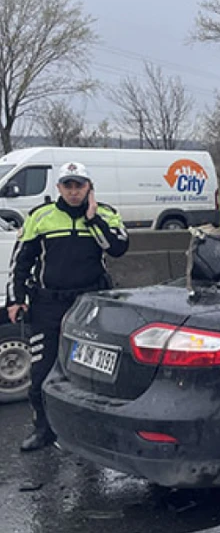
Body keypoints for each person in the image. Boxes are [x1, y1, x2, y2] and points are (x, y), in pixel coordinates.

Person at [5, 161, 129, 451]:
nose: (74, 192)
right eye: (68, 186)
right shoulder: (41, 216)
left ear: (89, 188)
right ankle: (43, 430)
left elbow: (118, 248)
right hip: (49, 304)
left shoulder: (106, 214)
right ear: (59, 188)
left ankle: (94, 432)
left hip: (91, 305)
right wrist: (15, 299)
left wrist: (92, 218)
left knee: (95, 375)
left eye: (80, 186)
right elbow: (20, 262)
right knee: (42, 372)